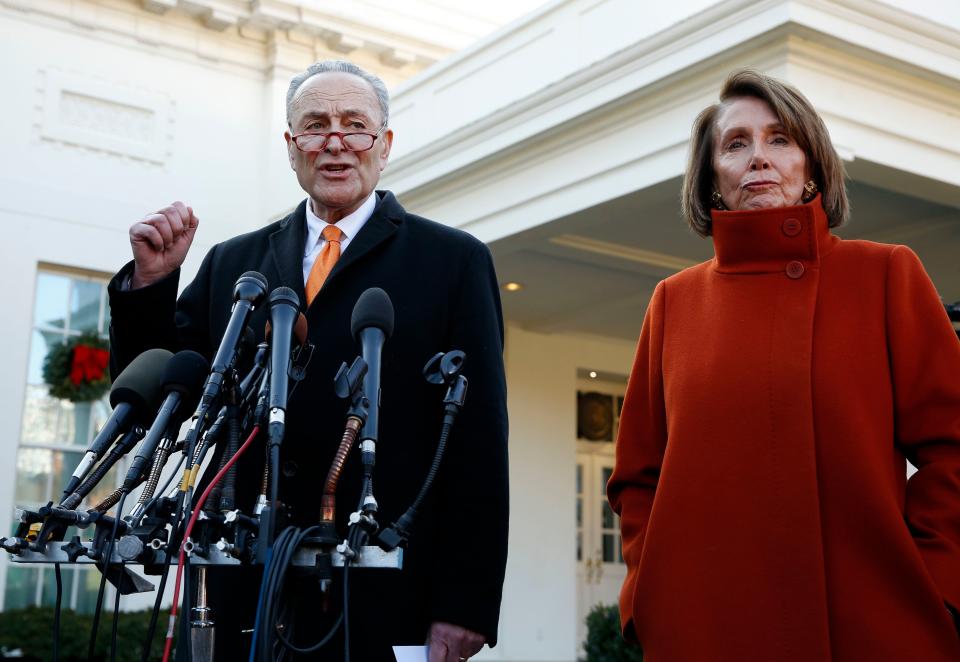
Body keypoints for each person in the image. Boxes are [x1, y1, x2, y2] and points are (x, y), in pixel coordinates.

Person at [107, 60, 508, 662]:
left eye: (356, 125)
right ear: (292, 148)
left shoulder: (453, 262)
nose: (336, 142)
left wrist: (465, 603)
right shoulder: (233, 262)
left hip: (382, 589)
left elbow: (478, 443)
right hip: (241, 585)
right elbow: (166, 389)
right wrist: (152, 285)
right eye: (315, 126)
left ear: (385, 145)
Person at [607, 69, 960, 661]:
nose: (758, 158)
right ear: (712, 177)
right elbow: (637, 476)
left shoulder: (887, 275)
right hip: (706, 629)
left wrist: (937, 586)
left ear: (812, 165)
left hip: (873, 627)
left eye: (780, 139)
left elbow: (952, 445)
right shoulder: (674, 301)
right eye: (736, 143)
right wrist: (650, 596)